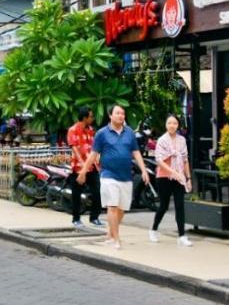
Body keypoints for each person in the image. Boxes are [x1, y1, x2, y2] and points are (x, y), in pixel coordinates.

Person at [77, 105, 150, 250]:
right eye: (117, 113)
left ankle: (110, 234)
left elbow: (136, 153)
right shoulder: (102, 134)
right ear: (110, 115)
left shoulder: (129, 133)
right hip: (108, 174)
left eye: (122, 113)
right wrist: (83, 171)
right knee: (112, 206)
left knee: (121, 209)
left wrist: (144, 170)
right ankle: (116, 239)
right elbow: (93, 154)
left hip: (126, 176)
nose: (121, 116)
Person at [149, 115, 193, 246]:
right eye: (169, 123)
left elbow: (185, 160)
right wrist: (173, 172)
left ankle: (182, 235)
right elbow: (159, 160)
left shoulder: (182, 140)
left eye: (174, 123)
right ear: (166, 125)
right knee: (164, 205)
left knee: (180, 205)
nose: (172, 125)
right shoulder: (162, 140)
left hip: (179, 177)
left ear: (178, 125)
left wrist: (188, 178)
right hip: (164, 177)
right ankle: (154, 229)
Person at [66, 108, 103, 227]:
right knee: (76, 194)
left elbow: (95, 147)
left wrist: (97, 158)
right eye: (91, 116)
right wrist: (82, 164)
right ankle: (76, 219)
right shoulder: (73, 130)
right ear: (84, 118)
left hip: (92, 166)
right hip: (78, 167)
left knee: (97, 192)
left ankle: (94, 217)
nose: (92, 119)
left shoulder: (91, 130)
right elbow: (74, 148)